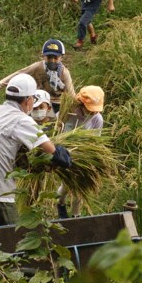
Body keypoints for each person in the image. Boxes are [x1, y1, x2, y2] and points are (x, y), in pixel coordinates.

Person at [0, 73, 72, 226]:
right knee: (17, 243)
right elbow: (50, 149)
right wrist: (62, 156)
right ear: (28, 100)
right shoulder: (20, 119)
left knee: (0, 241)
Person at [56, 85, 105, 219]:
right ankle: (60, 203)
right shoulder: (68, 113)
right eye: (90, 110)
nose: (93, 113)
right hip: (66, 155)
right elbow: (57, 129)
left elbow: (95, 141)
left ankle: (76, 216)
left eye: (96, 110)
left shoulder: (97, 119)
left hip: (82, 157)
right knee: (66, 186)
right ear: (81, 104)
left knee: (80, 189)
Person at [0, 39, 75, 114]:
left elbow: (71, 93)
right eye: (49, 57)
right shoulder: (38, 67)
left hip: (57, 103)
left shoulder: (64, 73)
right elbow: (19, 73)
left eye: (55, 58)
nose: (52, 61)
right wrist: (0, 84)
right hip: (38, 100)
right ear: (43, 56)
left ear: (61, 58)